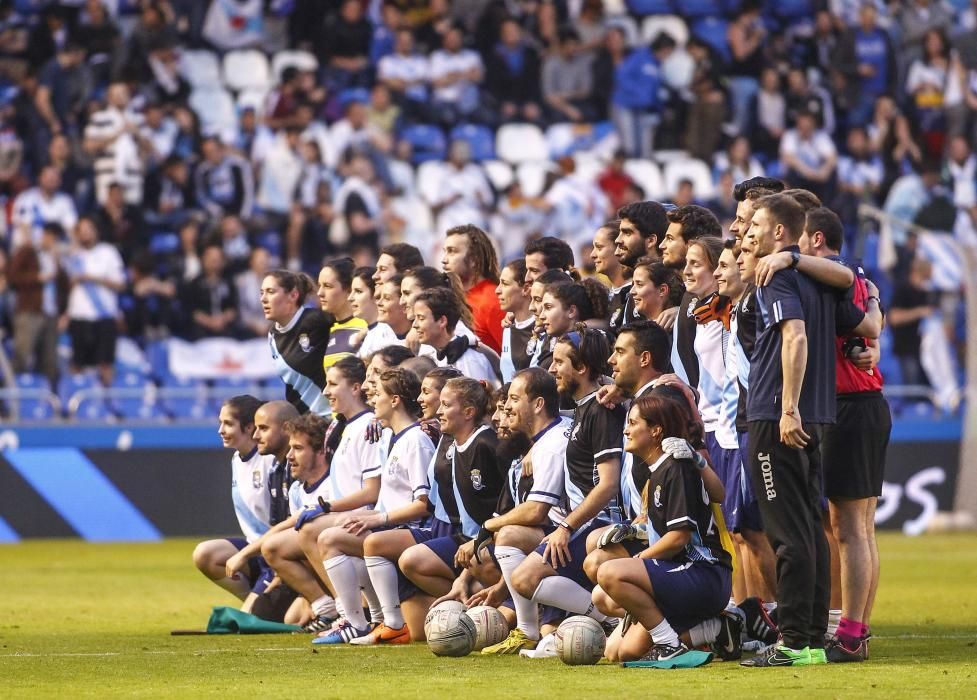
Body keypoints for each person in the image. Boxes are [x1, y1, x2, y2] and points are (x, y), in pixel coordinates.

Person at [740, 194, 873, 667]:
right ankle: (813, 638)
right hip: (819, 417)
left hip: (779, 417)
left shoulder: (776, 277)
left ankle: (793, 641)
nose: (748, 231)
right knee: (811, 532)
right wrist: (871, 293)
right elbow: (867, 322)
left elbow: (793, 335)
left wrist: (787, 408)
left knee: (788, 533)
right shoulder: (820, 280)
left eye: (756, 223)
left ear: (780, 233)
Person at [781, 207, 891, 662]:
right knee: (856, 528)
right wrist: (875, 319)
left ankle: (849, 632)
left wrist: (874, 324)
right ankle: (854, 631)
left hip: (851, 406)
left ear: (816, 238)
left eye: (799, 240)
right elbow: (870, 323)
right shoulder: (857, 277)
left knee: (848, 528)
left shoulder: (837, 274)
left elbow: (867, 325)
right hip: (858, 405)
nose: (794, 248)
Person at [595, 395, 733, 663]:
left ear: (656, 430)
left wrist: (636, 564)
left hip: (703, 574)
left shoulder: (677, 466)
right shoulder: (657, 470)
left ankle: (670, 644)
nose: (625, 430)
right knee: (618, 651)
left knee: (610, 572)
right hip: (679, 574)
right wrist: (635, 532)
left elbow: (679, 537)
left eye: (633, 423)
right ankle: (715, 629)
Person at [510, 327, 624, 637]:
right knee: (550, 629)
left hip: (597, 522)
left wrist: (567, 527)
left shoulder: (602, 411)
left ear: (582, 368)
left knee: (525, 579)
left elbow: (608, 484)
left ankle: (613, 620)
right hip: (582, 522)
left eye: (560, 362)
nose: (551, 370)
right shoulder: (584, 408)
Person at [318, 368, 436, 645]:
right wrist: (366, 516)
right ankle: (375, 619)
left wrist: (378, 519)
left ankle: (376, 623)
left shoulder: (416, 441)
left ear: (395, 400)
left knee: (338, 539)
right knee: (340, 530)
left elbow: (424, 504)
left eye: (378, 394)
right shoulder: (396, 438)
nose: (372, 401)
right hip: (396, 526)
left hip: (418, 529)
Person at [480, 369, 572, 655]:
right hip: (565, 528)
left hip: (577, 531)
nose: (507, 407)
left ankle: (602, 619)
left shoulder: (551, 446)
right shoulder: (553, 434)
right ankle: (532, 629)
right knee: (498, 544)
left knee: (508, 538)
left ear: (538, 404)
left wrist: (489, 523)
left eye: (514, 398)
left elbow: (535, 512)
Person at [398, 378, 506, 600]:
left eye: (446, 405)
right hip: (469, 539)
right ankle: (471, 601)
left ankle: (516, 607)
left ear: (468, 412)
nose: (438, 411)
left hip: (497, 540)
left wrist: (478, 543)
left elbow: (508, 507)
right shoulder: (455, 444)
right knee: (411, 560)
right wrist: (462, 578)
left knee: (478, 559)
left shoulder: (487, 445)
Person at [192, 396, 279, 609]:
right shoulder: (237, 460)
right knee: (205, 554)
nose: (220, 430)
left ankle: (261, 606)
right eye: (221, 423)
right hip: (255, 549)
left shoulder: (270, 461)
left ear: (249, 427)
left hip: (277, 553)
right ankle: (257, 603)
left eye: (228, 424)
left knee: (250, 617)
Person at [256, 412, 336, 631]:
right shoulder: (296, 491)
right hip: (322, 571)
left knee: (274, 546)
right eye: (290, 448)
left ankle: (341, 609)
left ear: (320, 451)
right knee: (291, 619)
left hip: (347, 564)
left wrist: (244, 554)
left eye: (298, 448)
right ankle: (325, 605)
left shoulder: (334, 485)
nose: (290, 455)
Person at [224, 400, 302, 623]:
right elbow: (278, 524)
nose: (257, 435)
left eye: (264, 428)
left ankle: (323, 604)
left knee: (271, 619)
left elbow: (295, 524)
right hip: (275, 556)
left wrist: (245, 554)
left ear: (287, 428)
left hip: (292, 556)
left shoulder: (298, 469)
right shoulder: (278, 470)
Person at [658, 205, 723, 388]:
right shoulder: (690, 294)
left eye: (670, 239)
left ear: (691, 244)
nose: (662, 245)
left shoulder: (723, 305)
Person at [260, 270, 333, 416]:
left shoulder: (317, 321)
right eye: (261, 292)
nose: (263, 299)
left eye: (270, 292)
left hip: (329, 417)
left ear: (293, 295)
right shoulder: (272, 335)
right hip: (303, 423)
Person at [65, 216, 125, 387]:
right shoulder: (72, 255)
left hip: (104, 315)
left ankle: (107, 405)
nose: (85, 234)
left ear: (96, 231)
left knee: (105, 363)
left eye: (88, 229)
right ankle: (76, 400)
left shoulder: (108, 252)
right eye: (81, 231)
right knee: (77, 363)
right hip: (79, 315)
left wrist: (92, 279)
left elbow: (120, 284)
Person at [412, 288, 499, 387]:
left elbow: (475, 400)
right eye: (415, 318)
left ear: (442, 321)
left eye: (421, 318)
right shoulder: (439, 354)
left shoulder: (468, 360)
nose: (414, 325)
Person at [441, 224, 505, 353]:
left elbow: (511, 359)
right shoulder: (449, 296)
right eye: (445, 251)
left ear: (473, 259)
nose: (444, 260)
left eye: (452, 251)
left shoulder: (493, 299)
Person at [612, 200, 669, 330]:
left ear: (650, 240)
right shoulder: (632, 285)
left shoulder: (671, 283)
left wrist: (679, 311)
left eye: (627, 233)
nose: (618, 240)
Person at [316, 257, 369, 368]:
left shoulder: (365, 327)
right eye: (319, 285)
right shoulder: (328, 330)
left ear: (349, 290)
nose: (319, 293)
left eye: (327, 286)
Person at [497, 259, 534, 383]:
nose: (497, 290)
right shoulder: (508, 326)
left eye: (505, 284)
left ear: (526, 288)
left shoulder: (544, 329)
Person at [630, 259, 684, 324]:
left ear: (662, 290)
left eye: (639, 284)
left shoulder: (681, 327)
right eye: (633, 284)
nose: (631, 291)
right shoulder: (636, 327)